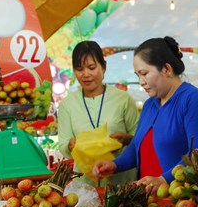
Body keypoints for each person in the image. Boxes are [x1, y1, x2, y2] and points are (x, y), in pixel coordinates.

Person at [92, 37, 198, 193]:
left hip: (179, 199)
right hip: (147, 198)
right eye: (138, 75)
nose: (141, 81)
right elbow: (136, 146)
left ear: (166, 69)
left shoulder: (192, 99)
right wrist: (115, 165)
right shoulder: (149, 105)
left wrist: (164, 180)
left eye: (144, 73)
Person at [58, 41, 139, 186]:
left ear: (103, 67)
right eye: (79, 69)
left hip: (121, 183)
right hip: (85, 184)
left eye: (91, 67)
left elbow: (141, 139)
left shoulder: (123, 99)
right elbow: (63, 143)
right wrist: (70, 145)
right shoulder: (67, 104)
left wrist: (127, 139)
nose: (86, 74)